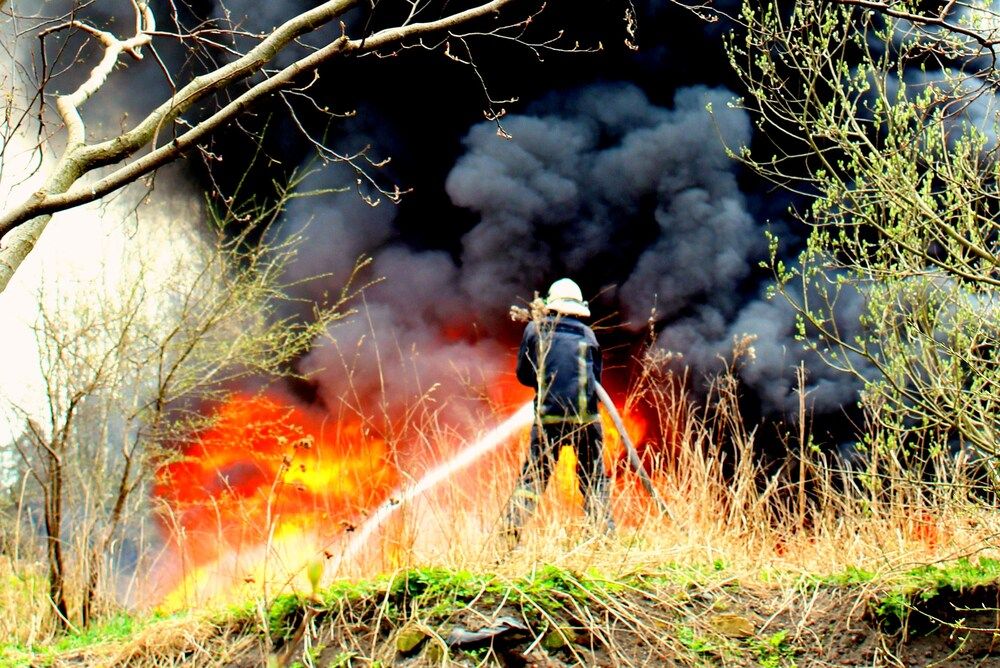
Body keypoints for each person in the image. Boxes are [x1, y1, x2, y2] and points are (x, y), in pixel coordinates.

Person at [503, 278, 614, 544]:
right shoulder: (588, 335)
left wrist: (546, 381)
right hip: (586, 420)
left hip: (548, 420)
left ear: (551, 306)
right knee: (593, 479)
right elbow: (595, 379)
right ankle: (604, 540)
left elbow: (524, 375)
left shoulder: (534, 330)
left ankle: (509, 534)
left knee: (533, 480)